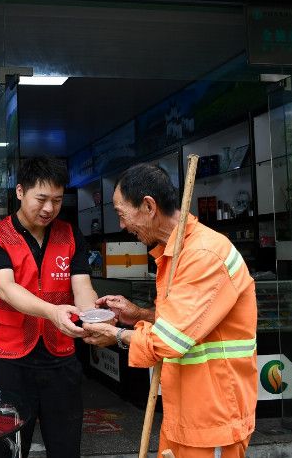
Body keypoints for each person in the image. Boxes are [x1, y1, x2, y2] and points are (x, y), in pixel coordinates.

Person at [82, 163, 257, 457]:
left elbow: (171, 340)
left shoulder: (202, 254)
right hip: (186, 410)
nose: (122, 225)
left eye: (122, 214)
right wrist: (139, 314)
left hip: (212, 418)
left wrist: (117, 335)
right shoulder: (175, 252)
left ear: (149, 206)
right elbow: (188, 321)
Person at [0, 156, 98, 458]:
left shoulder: (70, 235)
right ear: (20, 192)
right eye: (41, 199)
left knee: (66, 446)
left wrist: (93, 316)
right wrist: (53, 312)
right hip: (11, 359)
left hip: (61, 357)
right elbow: (7, 289)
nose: (49, 209)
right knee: (9, 448)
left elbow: (82, 286)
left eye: (57, 201)